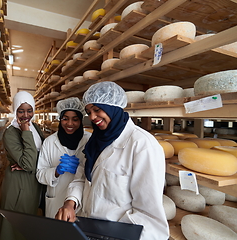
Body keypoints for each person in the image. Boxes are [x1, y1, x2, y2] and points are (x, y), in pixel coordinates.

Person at [55, 82, 169, 240]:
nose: (92, 117)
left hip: (117, 234)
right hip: (88, 228)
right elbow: (82, 177)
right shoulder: (95, 141)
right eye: (88, 111)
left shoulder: (142, 145)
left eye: (97, 109)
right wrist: (70, 202)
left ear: (112, 107)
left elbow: (149, 216)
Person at [0, 91, 45, 240]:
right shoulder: (11, 133)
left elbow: (40, 155)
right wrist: (26, 132)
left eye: (29, 110)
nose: (26, 115)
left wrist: (29, 163)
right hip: (19, 184)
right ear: (15, 110)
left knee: (27, 218)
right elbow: (28, 163)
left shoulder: (36, 128)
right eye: (21, 111)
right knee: (15, 223)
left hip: (33, 180)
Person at [36, 97, 91, 218]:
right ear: (60, 119)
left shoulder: (89, 140)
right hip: (56, 199)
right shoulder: (49, 142)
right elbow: (40, 175)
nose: (70, 123)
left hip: (81, 201)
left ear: (81, 120)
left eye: (75, 119)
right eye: (65, 119)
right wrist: (56, 171)